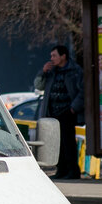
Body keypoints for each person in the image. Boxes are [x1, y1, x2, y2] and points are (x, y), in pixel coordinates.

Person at [34, 45, 84, 180]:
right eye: (51, 56)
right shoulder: (51, 71)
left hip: (67, 112)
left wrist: (74, 108)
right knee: (57, 144)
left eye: (54, 56)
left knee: (68, 143)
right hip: (53, 113)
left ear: (63, 56)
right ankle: (61, 170)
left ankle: (73, 171)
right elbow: (38, 86)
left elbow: (83, 91)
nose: (52, 59)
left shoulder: (74, 70)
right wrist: (43, 72)